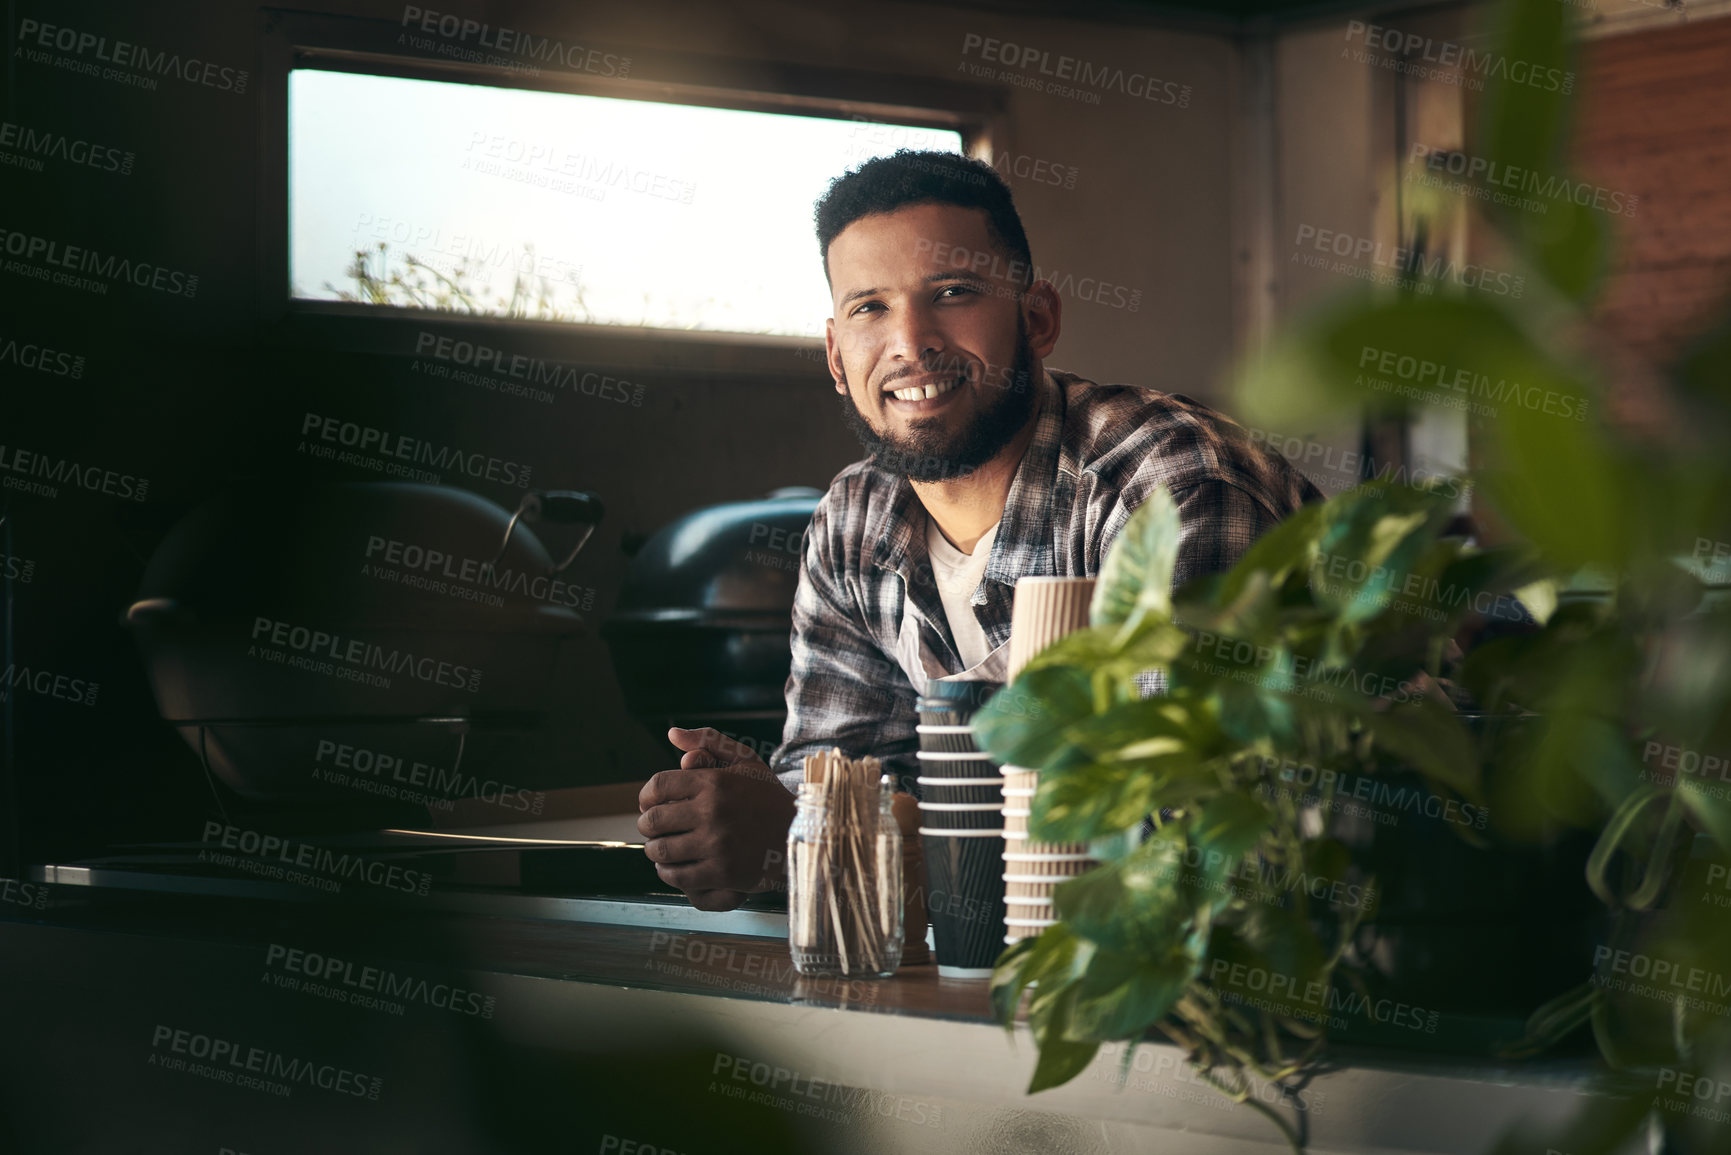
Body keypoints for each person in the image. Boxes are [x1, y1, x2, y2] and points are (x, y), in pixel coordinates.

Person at [637, 149, 1322, 910]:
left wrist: (816, 836)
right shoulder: (852, 522)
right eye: (869, 307)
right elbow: (853, 776)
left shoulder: (1169, 486)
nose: (911, 341)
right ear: (836, 355)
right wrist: (764, 807)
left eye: (953, 293)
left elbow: (1185, 831)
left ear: (1038, 320)